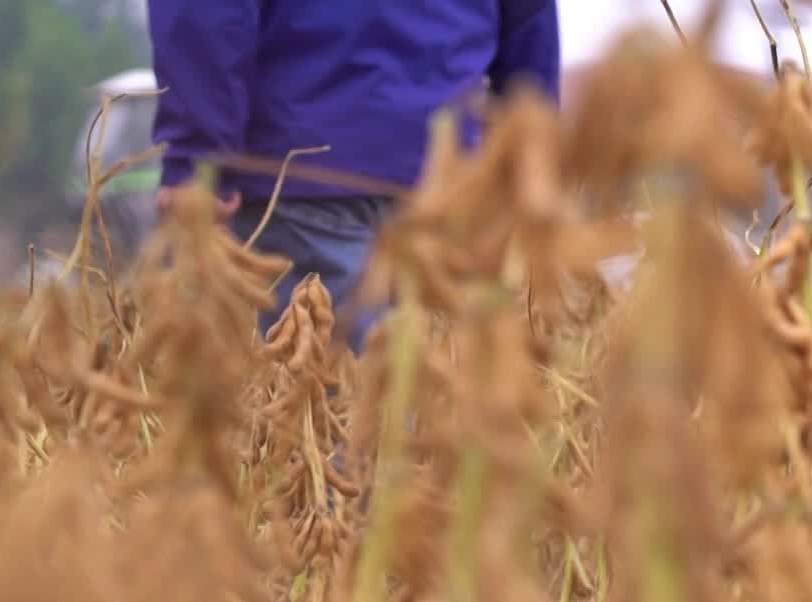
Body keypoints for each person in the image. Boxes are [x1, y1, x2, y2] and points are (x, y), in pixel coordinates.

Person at [147, 1, 561, 352]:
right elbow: (529, 19)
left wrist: (199, 157)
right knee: (435, 412)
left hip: (301, 180)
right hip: (450, 181)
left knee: (321, 416)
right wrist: (531, 165)